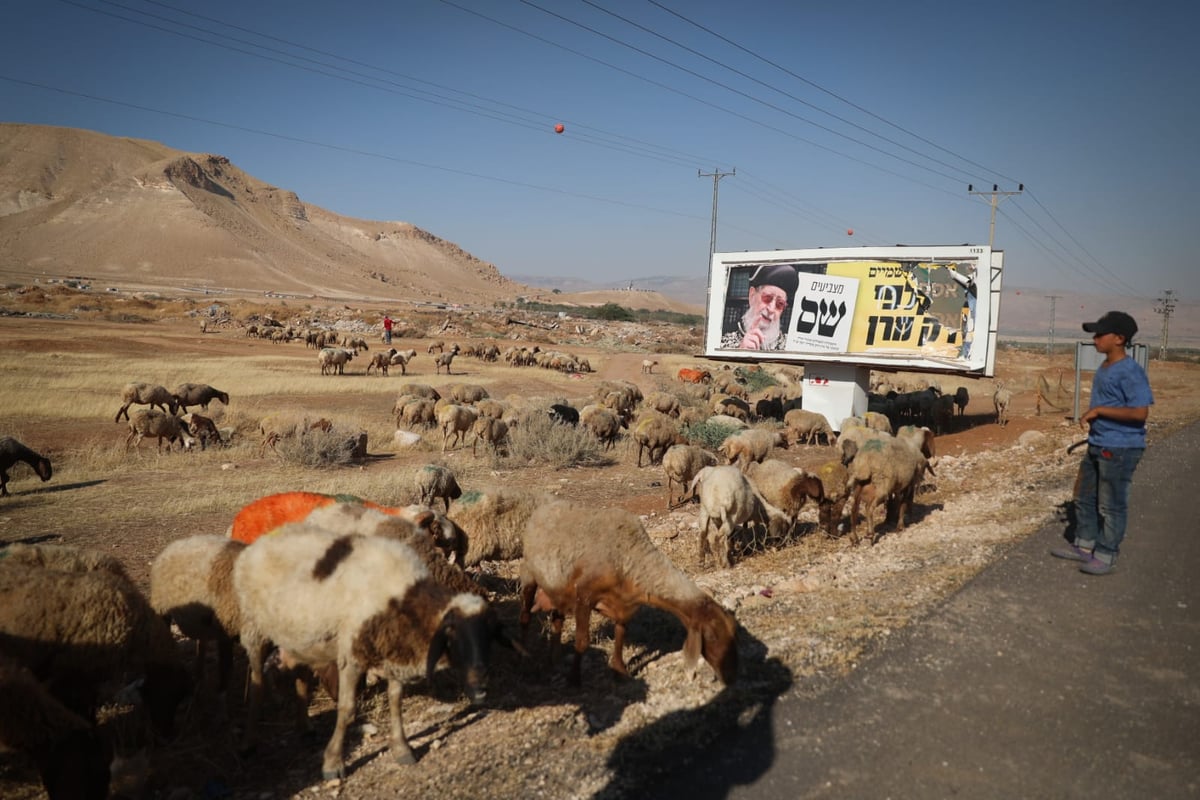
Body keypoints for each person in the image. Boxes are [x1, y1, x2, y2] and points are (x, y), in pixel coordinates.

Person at [1051, 311, 1153, 575]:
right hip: (1099, 442)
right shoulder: (1106, 366)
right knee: (1084, 497)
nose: (1095, 339)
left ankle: (1106, 554)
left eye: (1100, 334)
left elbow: (1140, 412)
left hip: (1121, 448)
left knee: (1111, 504)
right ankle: (1084, 545)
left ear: (1119, 338)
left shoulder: (1130, 371)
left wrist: (1099, 412)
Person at [720, 264, 799, 351]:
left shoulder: (792, 345)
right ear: (752, 296)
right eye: (767, 298)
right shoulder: (720, 335)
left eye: (779, 304)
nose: (771, 309)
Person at [946, 264, 977, 358]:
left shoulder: (974, 280)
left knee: (969, 331)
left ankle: (967, 354)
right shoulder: (972, 283)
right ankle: (966, 353)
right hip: (970, 309)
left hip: (973, 310)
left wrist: (953, 274)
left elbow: (967, 282)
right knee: (968, 331)